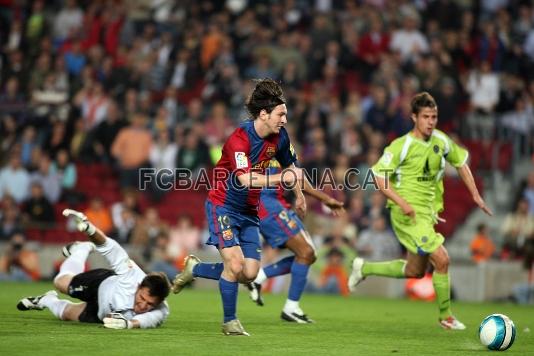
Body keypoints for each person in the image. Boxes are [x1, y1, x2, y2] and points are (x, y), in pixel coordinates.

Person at [348, 92, 492, 330]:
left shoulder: (441, 141)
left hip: (426, 214)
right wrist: (402, 203)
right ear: (414, 117)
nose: (431, 121)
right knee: (442, 259)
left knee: (415, 271)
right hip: (406, 214)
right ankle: (446, 316)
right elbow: (378, 175)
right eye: (426, 116)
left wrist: (475, 195)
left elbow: (461, 163)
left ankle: (363, 267)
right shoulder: (401, 145)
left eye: (434, 116)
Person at [171, 78, 304, 336]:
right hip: (223, 206)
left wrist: (299, 195)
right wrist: (281, 179)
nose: (285, 120)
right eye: (281, 114)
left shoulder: (280, 137)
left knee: (250, 273)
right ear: (264, 114)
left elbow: (291, 167)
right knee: (234, 265)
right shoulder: (239, 139)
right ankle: (230, 322)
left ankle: (195, 269)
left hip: (249, 211)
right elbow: (245, 179)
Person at [17, 209, 170, 329]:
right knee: (60, 283)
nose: (143, 306)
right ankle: (82, 249)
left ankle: (46, 300)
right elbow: (112, 249)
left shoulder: (161, 309)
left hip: (101, 313)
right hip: (100, 285)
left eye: (150, 304)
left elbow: (149, 319)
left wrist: (129, 324)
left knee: (67, 314)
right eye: (142, 298)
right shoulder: (132, 275)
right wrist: (90, 230)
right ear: (138, 286)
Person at [246, 157, 345, 323]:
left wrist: (305, 195)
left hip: (277, 204)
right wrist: (325, 199)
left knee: (308, 254)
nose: (279, 129)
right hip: (267, 205)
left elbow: (296, 176)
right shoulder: (255, 143)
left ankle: (261, 278)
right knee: (306, 252)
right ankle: (290, 307)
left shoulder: (282, 145)